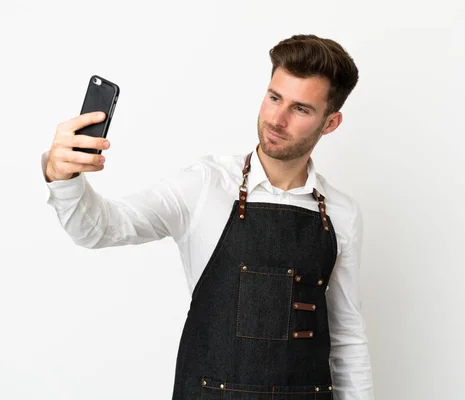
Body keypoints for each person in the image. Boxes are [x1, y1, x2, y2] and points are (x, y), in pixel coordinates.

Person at [42, 34, 374, 400]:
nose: (277, 119)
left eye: (300, 109)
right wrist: (64, 177)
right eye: (274, 97)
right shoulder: (205, 184)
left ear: (330, 123)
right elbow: (100, 229)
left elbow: (346, 339)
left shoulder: (341, 213)